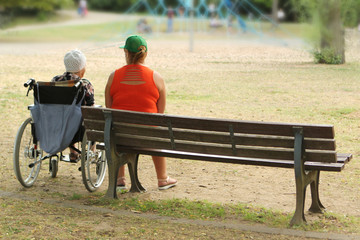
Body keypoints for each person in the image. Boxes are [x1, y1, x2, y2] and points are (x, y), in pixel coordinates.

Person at [105, 35, 177, 191]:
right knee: (155, 131)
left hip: (120, 137)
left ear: (126, 52)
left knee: (115, 129)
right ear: (145, 54)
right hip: (147, 137)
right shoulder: (157, 78)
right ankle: (162, 178)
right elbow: (159, 115)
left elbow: (109, 109)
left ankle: (120, 179)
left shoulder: (113, 77)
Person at [52, 49, 95, 161]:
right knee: (92, 118)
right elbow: (91, 107)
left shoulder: (55, 80)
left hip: (57, 126)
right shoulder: (84, 84)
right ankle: (91, 152)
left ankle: (73, 152)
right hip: (78, 130)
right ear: (81, 69)